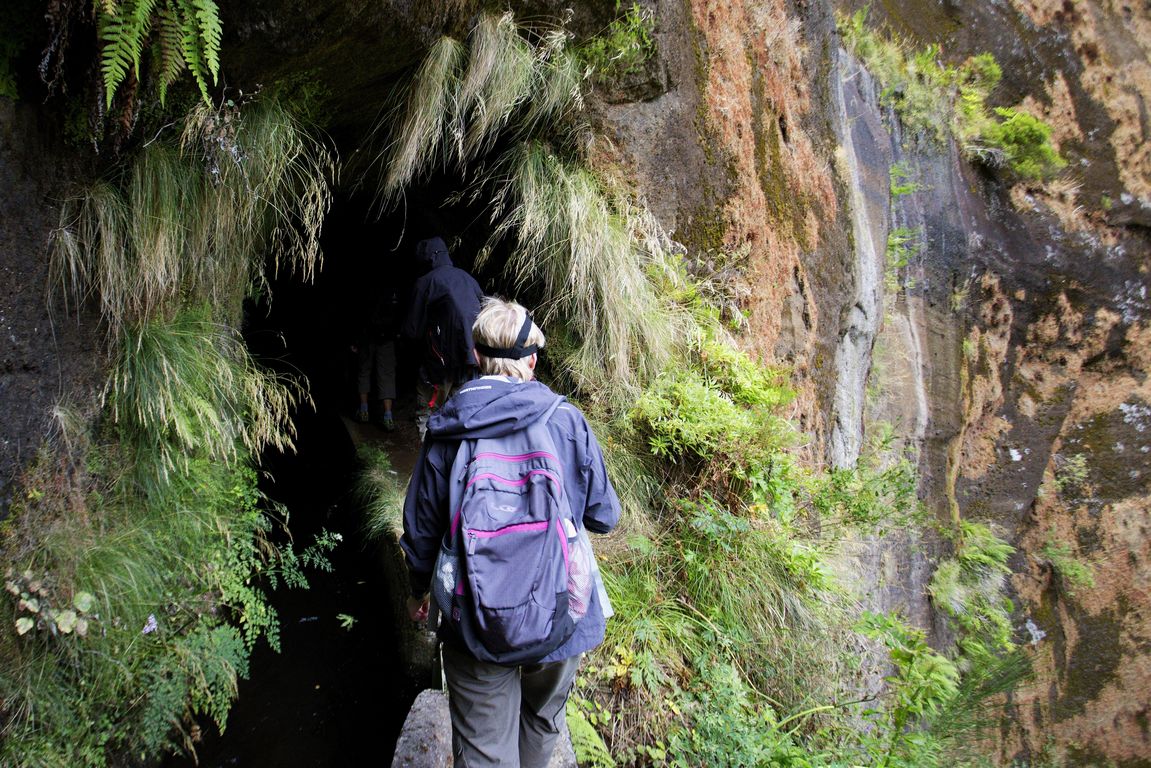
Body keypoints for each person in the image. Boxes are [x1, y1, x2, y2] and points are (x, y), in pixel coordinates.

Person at [401, 297, 620, 768]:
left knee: (484, 751)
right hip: (561, 608)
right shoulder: (567, 421)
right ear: (533, 360)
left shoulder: (449, 429)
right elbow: (605, 516)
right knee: (541, 722)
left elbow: (421, 531)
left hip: (474, 621)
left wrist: (417, 591)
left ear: (476, 357)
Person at [401, 236, 485, 440]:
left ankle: (428, 462)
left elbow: (412, 329)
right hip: (472, 359)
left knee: (429, 412)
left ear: (429, 259)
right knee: (462, 412)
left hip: (439, 364)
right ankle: (457, 461)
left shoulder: (426, 282)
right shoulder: (468, 279)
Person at [351, 287, 399, 429]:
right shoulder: (392, 288)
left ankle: (364, 411)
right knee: (387, 375)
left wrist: (355, 340)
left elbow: (358, 312)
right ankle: (388, 417)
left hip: (367, 337)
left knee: (364, 371)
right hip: (387, 338)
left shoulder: (367, 287)